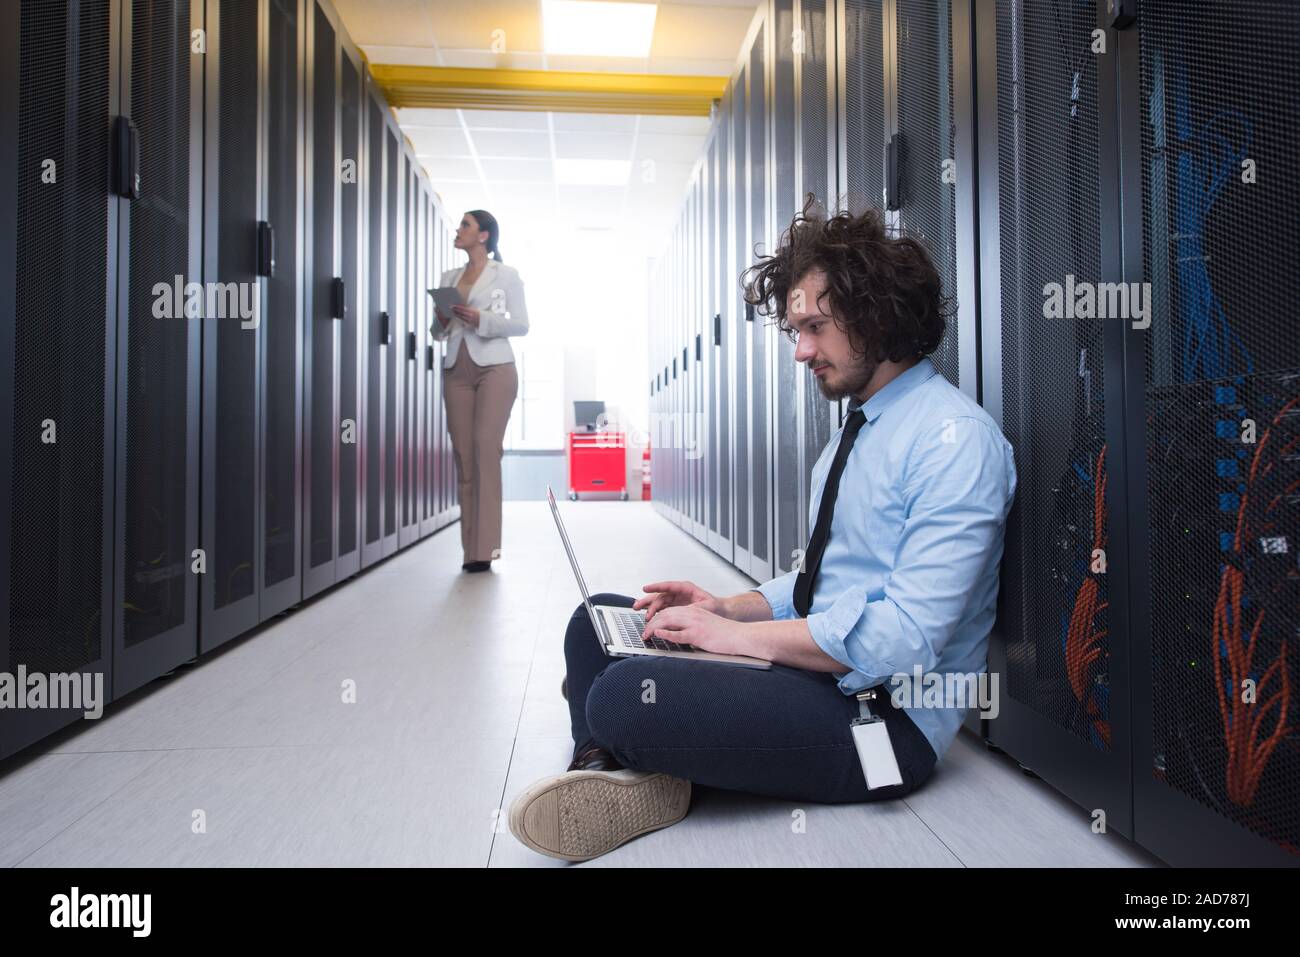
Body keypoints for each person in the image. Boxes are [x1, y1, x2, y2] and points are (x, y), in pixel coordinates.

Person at [507, 199, 1018, 863]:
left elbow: (905, 637)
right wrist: (722, 607)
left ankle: (624, 750)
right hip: (816, 675)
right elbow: (816, 583)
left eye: (815, 326)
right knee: (598, 620)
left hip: (882, 720)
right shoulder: (852, 437)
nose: (802, 349)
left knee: (623, 691)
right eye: (795, 330)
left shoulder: (957, 442)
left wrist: (739, 639)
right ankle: (612, 770)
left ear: (877, 314)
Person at [431, 210, 529, 573]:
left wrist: (481, 319)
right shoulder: (449, 278)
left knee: (486, 451)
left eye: (466, 226)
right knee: (463, 455)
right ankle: (469, 550)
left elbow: (521, 325)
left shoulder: (506, 275)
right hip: (457, 366)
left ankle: (485, 550)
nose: (459, 230)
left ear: (484, 235)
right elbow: (438, 333)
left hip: (495, 368)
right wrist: (442, 320)